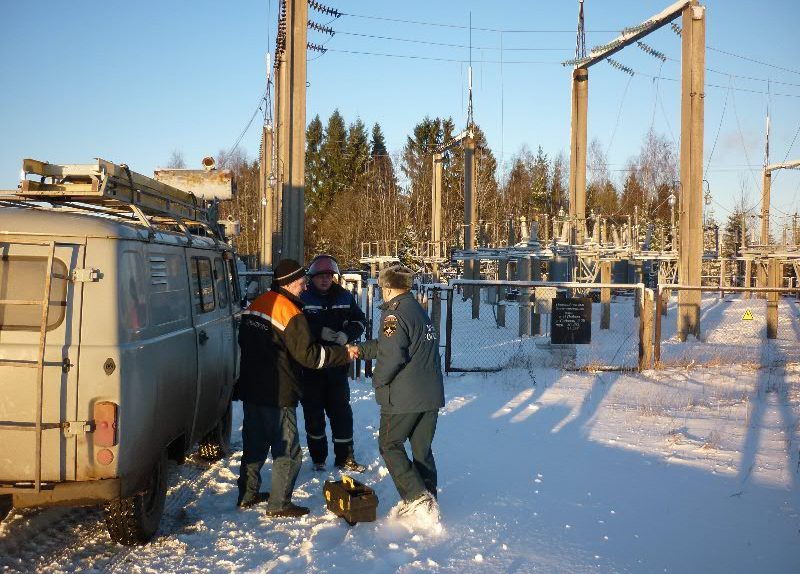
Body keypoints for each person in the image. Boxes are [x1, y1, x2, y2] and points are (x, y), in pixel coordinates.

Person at [236, 259, 358, 517]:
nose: (304, 288)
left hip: (251, 386)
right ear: (289, 283)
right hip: (278, 390)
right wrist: (343, 354)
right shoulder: (290, 312)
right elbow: (310, 357)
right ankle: (279, 503)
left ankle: (247, 495)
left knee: (255, 444)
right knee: (288, 450)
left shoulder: (258, 304)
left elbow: (244, 342)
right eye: (302, 283)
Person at [355, 264, 445, 519]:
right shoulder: (416, 309)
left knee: (389, 444)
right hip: (430, 395)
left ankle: (417, 498)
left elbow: (392, 356)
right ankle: (429, 501)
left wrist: (379, 381)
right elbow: (392, 346)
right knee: (421, 450)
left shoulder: (394, 314)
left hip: (406, 396)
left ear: (387, 287)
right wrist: (359, 350)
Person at [300, 254, 368, 472]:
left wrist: (346, 335)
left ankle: (345, 458)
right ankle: (318, 458)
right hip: (310, 367)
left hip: (337, 367)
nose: (325, 280)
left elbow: (360, 321)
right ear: (312, 278)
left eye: (329, 276)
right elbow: (295, 327)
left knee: (341, 414)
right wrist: (317, 332)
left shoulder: (344, 297)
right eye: (320, 276)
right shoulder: (303, 297)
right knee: (313, 415)